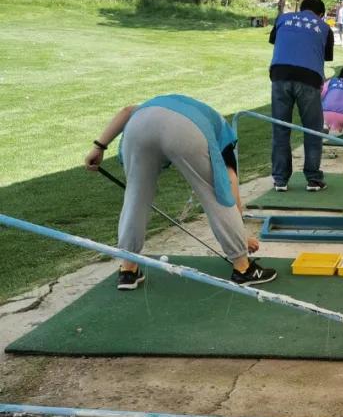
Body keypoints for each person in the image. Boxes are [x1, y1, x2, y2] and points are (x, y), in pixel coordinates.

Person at [84, 95, 277, 289]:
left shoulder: (153, 105)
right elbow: (227, 186)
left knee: (135, 196)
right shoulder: (224, 132)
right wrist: (241, 238)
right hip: (185, 131)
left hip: (137, 128)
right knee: (214, 193)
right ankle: (243, 268)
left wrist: (98, 147)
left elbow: (126, 111)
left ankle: (128, 270)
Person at [268, 0, 333, 193]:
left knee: (280, 129)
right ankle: (313, 179)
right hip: (309, 78)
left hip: (280, 74)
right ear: (320, 14)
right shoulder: (325, 28)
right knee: (312, 130)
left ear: (301, 8)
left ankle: (280, 180)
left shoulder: (283, 19)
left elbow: (274, 41)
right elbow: (326, 56)